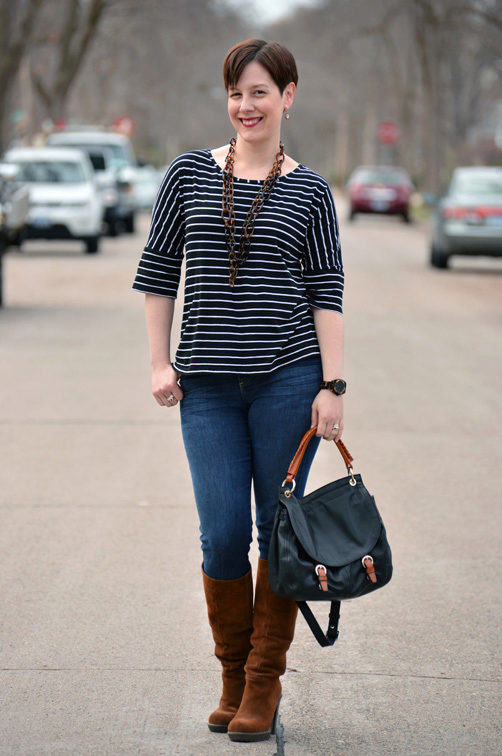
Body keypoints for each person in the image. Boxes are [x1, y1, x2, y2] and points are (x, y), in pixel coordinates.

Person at [132, 38, 345, 743]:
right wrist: (159, 363)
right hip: (208, 390)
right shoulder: (188, 174)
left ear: (288, 95)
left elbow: (327, 293)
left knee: (277, 532)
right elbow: (158, 272)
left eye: (259, 92)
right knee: (222, 534)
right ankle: (231, 673)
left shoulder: (311, 192)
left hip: (289, 380)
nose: (246, 106)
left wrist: (333, 385)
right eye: (235, 93)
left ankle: (262, 682)